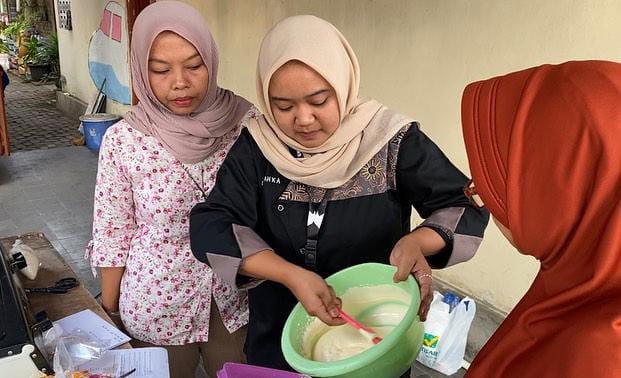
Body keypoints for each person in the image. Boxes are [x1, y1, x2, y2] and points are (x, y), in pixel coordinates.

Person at [190, 15, 489, 371]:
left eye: (319, 100)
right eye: (283, 106)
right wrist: (290, 274)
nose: (303, 119)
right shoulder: (257, 146)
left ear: (343, 83)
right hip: (279, 338)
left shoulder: (391, 141)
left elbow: (465, 204)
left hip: (377, 342)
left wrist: (417, 242)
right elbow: (211, 224)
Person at [86, 2, 254, 377]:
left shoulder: (245, 125)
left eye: (194, 65)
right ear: (141, 72)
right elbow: (112, 232)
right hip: (155, 303)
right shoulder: (124, 140)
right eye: (160, 70)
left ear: (212, 60)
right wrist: (110, 310)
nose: (180, 82)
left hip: (235, 300)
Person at [461, 61, 621, 376]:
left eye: (496, 183)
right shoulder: (578, 284)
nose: (481, 196)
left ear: (556, 196)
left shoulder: (596, 358)